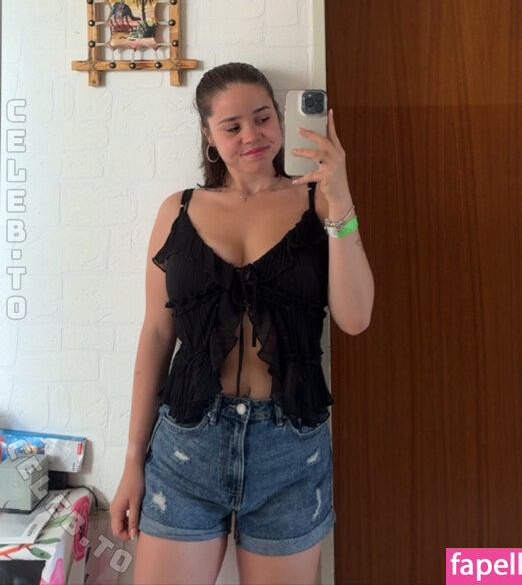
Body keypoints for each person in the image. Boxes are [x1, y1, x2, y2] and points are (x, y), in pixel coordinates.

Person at [110, 62, 374, 585]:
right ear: (209, 136)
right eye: (232, 126)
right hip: (186, 445)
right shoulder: (178, 210)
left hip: (290, 449)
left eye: (263, 117)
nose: (252, 135)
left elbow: (355, 318)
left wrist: (341, 198)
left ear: (280, 118)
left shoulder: (319, 202)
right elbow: (157, 336)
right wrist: (132, 462)